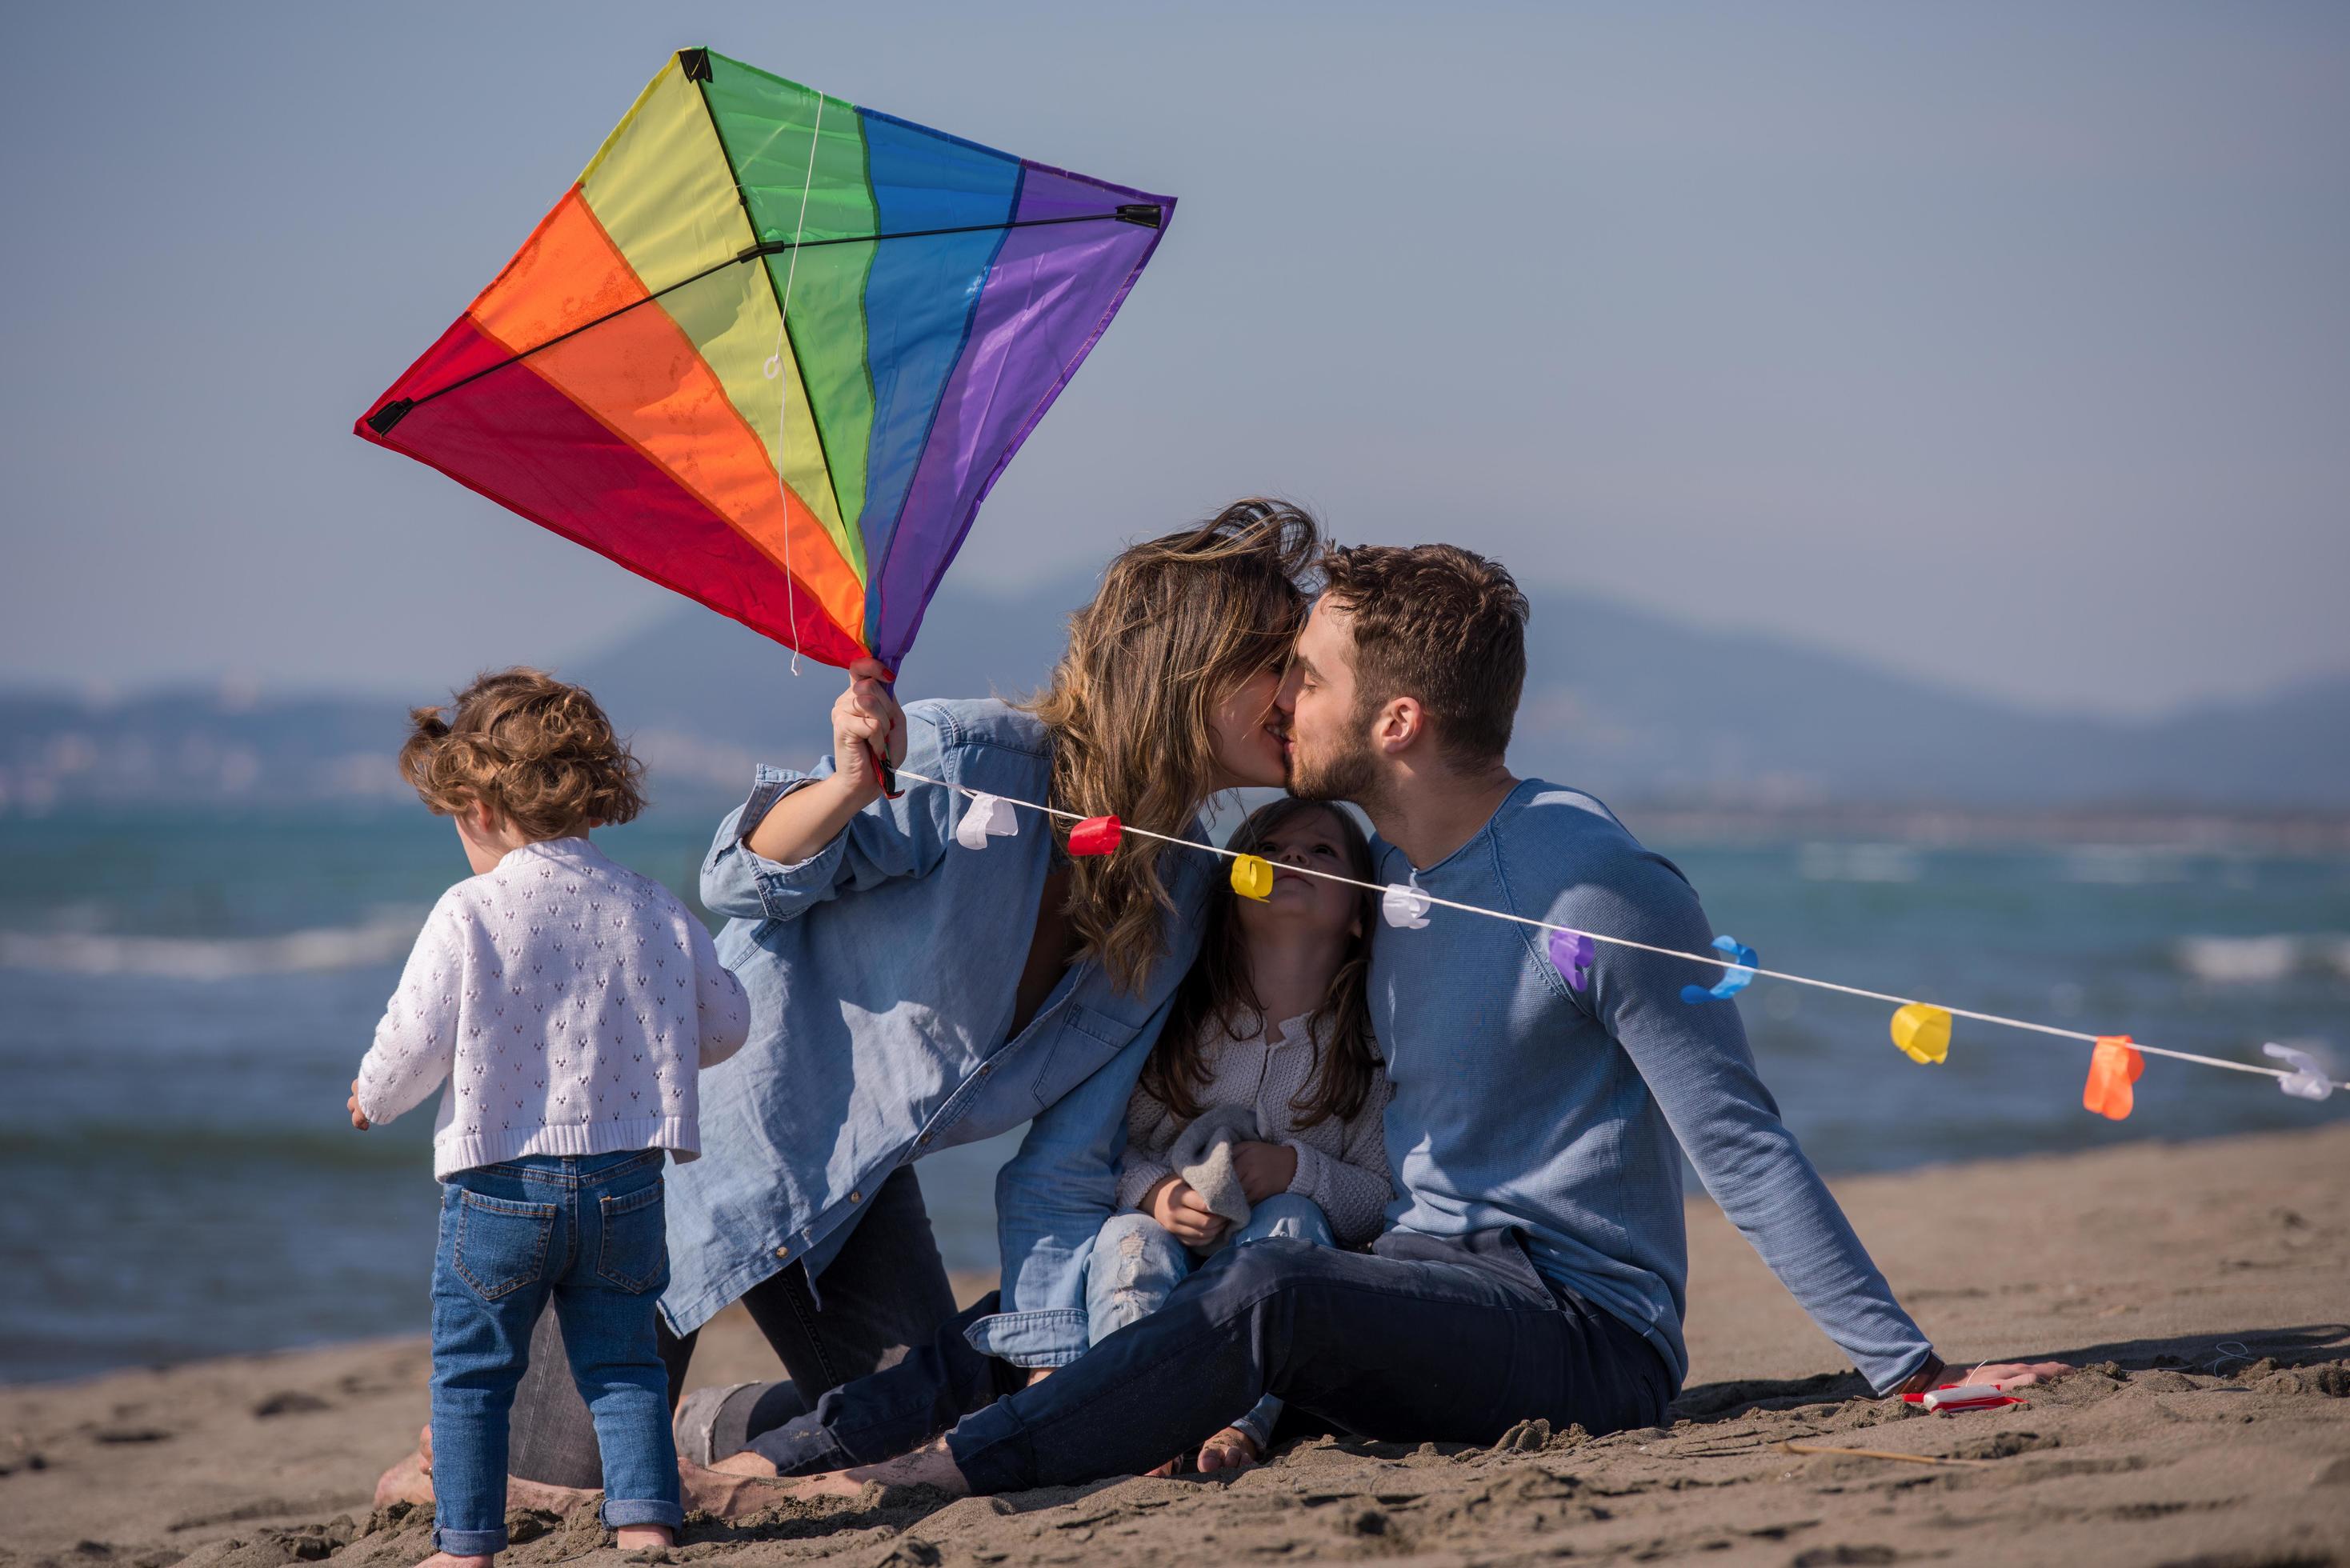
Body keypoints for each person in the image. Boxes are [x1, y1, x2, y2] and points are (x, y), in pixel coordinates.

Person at [755, 541, 2062, 1503]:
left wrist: (1910, 1373)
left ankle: (952, 1472)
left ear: (1393, 722)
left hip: (1579, 1326)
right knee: (1047, 1309)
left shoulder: (1591, 883)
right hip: (1427, 1274)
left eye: (1304, 677)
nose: (1281, 702)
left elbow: (1741, 1144)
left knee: (1272, 1286)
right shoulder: (1386, 883)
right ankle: (765, 1463)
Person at [422, 502, 1322, 1505]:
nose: (1303, 693)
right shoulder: (966, 761)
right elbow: (738, 875)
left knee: (935, 1434)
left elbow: (1065, 1166)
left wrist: (1052, 1360)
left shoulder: (1184, 895)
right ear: (1190, 667)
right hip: (690, 1154)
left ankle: (712, 1420)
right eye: (1281, 663)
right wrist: (850, 786)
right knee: (538, 1491)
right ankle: (453, 1454)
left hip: (857, 1192)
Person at [347, 670, 750, 1565]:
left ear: (483, 807)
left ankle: (466, 1547)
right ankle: (645, 1528)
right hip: (625, 1191)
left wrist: (372, 1096)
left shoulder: (470, 911)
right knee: (625, 1368)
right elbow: (724, 1021)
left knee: (474, 1374)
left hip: (498, 1191)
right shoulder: (650, 903)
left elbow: (416, 1034)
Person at [1090, 797, 1391, 1474]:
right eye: (1271, 851)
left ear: (1357, 915)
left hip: (1285, 1278)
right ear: (1231, 896)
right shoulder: (1180, 1022)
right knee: (1123, 1238)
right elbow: (1099, 1151)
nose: (1293, 860)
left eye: (1322, 853)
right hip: (1172, 1250)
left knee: (1290, 1217)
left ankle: (1239, 1418)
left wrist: (1295, 1172)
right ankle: (1135, 1414)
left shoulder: (1365, 1048)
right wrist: (1156, 1193)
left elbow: (1379, 1198)